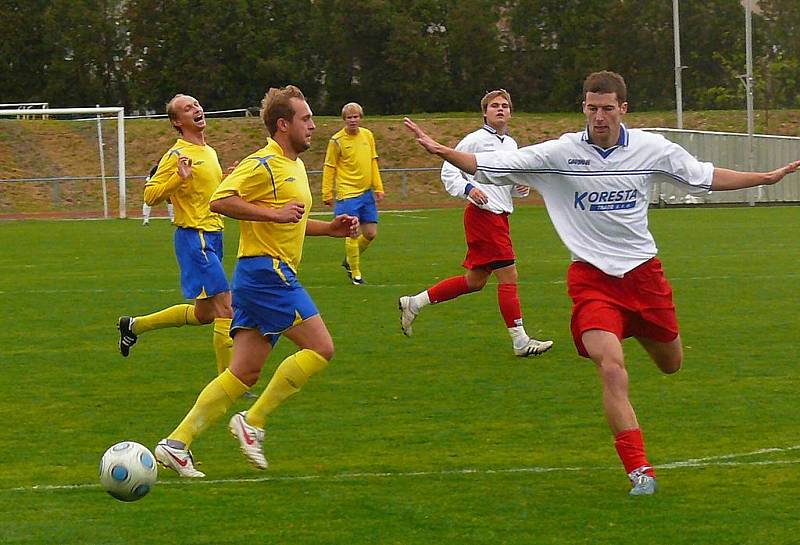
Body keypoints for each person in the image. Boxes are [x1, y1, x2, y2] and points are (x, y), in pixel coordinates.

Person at [404, 71, 800, 496]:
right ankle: (639, 470)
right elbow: (488, 165)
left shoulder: (651, 149)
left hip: (645, 277)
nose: (599, 116)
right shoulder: (561, 152)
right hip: (592, 280)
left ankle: (642, 344)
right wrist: (442, 150)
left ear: (623, 109)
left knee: (671, 364)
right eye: (592, 108)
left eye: (607, 108)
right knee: (611, 368)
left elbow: (703, 176)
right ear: (584, 108)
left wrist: (762, 179)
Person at [154, 85, 359, 478]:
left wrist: (329, 230)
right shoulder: (264, 162)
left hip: (258, 274)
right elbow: (220, 200)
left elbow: (289, 219)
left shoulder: (294, 165)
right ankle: (254, 421)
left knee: (243, 372)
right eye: (306, 119)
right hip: (268, 273)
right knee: (321, 348)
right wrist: (276, 215)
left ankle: (176, 443)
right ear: (283, 125)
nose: (313, 126)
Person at [399, 89, 553, 357]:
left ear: (511, 112)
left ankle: (414, 302)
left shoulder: (511, 144)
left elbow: (507, 182)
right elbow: (449, 170)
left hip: (500, 217)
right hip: (483, 216)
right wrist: (468, 190)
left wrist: (520, 189)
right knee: (509, 275)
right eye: (495, 105)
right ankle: (520, 341)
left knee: (475, 281)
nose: (500, 109)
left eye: (505, 105)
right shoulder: (474, 140)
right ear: (485, 112)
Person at [117, 94, 234, 376]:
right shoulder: (175, 155)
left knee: (203, 314)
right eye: (187, 108)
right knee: (227, 309)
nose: (196, 109)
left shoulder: (209, 151)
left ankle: (134, 325)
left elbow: (206, 191)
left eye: (196, 104)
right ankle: (230, 382)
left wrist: (226, 179)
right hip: (195, 238)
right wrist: (177, 178)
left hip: (214, 235)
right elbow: (150, 195)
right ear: (176, 122)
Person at [321, 102, 384, 284]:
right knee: (352, 233)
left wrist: (378, 187)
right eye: (349, 117)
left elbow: (373, 162)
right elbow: (329, 167)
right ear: (344, 120)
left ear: (361, 118)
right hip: (347, 194)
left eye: (356, 117)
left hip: (366, 193)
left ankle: (349, 261)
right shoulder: (336, 141)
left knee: (371, 233)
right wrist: (327, 193)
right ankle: (356, 273)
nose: (353, 120)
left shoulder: (368, 135)